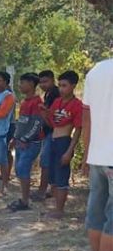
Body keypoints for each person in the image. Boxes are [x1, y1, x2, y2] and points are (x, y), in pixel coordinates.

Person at [82, 58, 113, 251]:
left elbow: (86, 118)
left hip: (98, 156)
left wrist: (86, 155)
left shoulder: (96, 71)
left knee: (96, 214)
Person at [43, 70, 83, 219]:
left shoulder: (77, 105)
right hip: (53, 139)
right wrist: (45, 114)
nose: (61, 89)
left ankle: (60, 209)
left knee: (61, 176)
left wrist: (69, 151)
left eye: (64, 85)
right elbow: (51, 122)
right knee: (52, 175)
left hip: (64, 141)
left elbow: (78, 130)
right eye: (59, 85)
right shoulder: (57, 102)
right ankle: (54, 207)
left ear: (73, 86)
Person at [8, 73, 44, 211]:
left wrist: (25, 139)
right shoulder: (24, 102)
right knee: (19, 170)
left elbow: (36, 124)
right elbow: (21, 123)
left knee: (23, 168)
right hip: (21, 142)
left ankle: (25, 201)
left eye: (22, 83)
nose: (20, 85)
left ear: (31, 84)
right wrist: (15, 138)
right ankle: (23, 198)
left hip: (31, 143)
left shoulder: (36, 102)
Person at [33, 70, 60, 201]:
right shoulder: (48, 94)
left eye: (45, 81)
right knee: (49, 161)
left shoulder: (55, 93)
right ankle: (50, 188)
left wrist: (44, 111)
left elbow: (52, 114)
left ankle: (42, 190)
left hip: (54, 131)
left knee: (46, 161)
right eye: (41, 82)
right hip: (48, 131)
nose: (43, 85)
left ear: (52, 80)